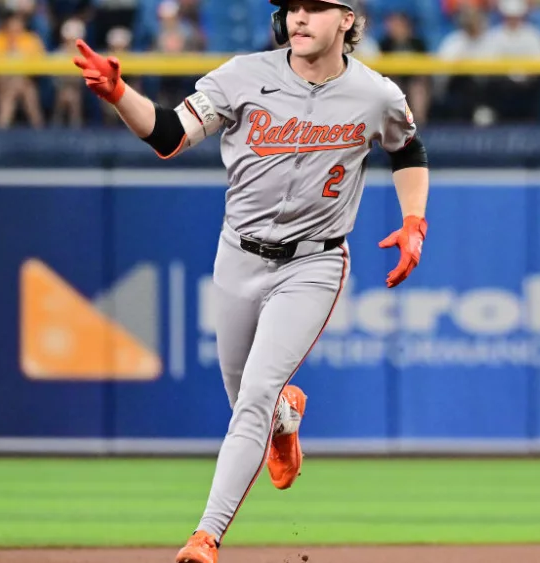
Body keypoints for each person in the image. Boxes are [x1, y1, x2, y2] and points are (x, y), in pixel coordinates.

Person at [72, 1, 431, 562]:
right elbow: (169, 135)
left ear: (347, 20)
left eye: (317, 8)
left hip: (313, 263)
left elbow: (406, 147)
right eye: (293, 8)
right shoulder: (243, 75)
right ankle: (286, 420)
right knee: (248, 399)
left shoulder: (376, 94)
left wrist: (414, 221)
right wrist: (122, 95)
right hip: (237, 256)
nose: (300, 18)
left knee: (253, 399)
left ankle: (204, 536)